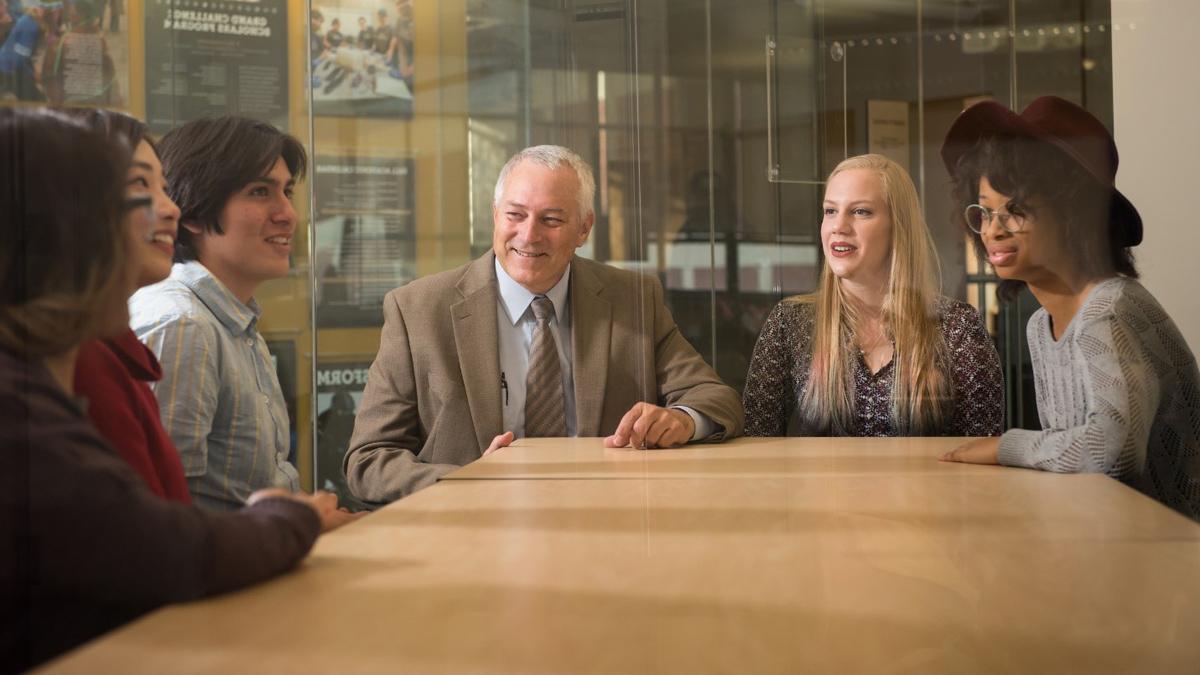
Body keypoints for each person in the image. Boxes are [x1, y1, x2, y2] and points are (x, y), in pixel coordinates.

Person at [0, 107, 349, 673]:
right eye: (138, 189)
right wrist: (291, 519)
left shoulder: (225, 324)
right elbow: (164, 541)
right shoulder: (173, 325)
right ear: (60, 222)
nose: (166, 208)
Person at [344, 145, 744, 502]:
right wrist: (468, 483)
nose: (529, 235)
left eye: (551, 220)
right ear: (494, 216)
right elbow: (368, 460)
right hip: (471, 533)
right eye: (515, 215)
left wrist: (681, 419)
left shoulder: (632, 299)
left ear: (584, 229)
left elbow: (716, 399)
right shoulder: (417, 310)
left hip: (605, 518)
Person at [938, 96, 1200, 520]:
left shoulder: (1108, 312)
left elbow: (1109, 453)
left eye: (1015, 210)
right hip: (1105, 542)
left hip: (1171, 557)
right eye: (984, 212)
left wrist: (1006, 446)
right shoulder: (1041, 326)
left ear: (1073, 212)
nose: (993, 230)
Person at [743, 154, 1003, 437]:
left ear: (897, 226)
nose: (838, 226)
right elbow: (757, 438)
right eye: (830, 211)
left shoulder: (957, 326)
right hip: (822, 484)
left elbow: (981, 448)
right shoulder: (790, 322)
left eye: (861, 212)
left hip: (927, 483)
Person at [129, 115, 306, 511]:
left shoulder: (233, 319)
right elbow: (165, 511)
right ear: (192, 212)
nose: (287, 214)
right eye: (260, 192)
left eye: (287, 192)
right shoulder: (184, 325)